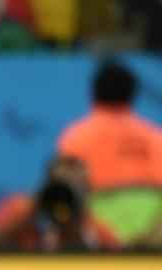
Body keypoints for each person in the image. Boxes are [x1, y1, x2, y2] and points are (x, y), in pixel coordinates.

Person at [57, 60, 162, 245]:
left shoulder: (76, 136)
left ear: (93, 93)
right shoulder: (154, 135)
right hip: (154, 223)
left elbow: (64, 194)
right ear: (132, 94)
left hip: (99, 224)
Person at [0, 156, 120, 251]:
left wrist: (77, 229)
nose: (66, 195)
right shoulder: (21, 211)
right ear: (48, 185)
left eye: (77, 186)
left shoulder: (95, 231)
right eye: (62, 184)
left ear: (87, 192)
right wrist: (28, 213)